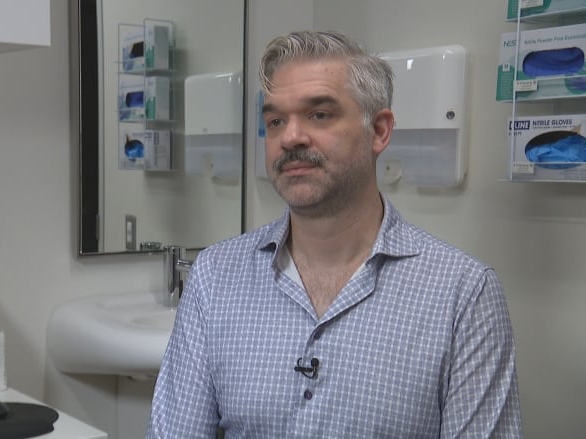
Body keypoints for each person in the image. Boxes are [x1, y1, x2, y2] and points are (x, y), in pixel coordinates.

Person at [147, 30, 522, 438]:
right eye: (275, 121)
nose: (290, 137)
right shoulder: (215, 276)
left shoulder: (463, 295)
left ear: (379, 131)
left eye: (319, 114)